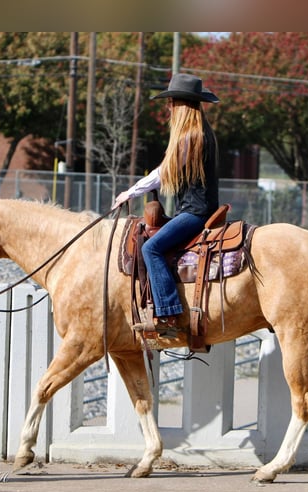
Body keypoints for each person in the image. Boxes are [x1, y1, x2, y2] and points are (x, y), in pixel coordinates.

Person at [113, 73, 220, 335]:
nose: (168, 108)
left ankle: (168, 313)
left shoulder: (190, 138)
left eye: (171, 102)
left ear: (182, 106)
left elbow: (164, 173)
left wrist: (131, 192)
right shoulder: (203, 134)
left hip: (195, 212)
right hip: (201, 209)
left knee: (152, 249)